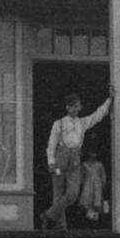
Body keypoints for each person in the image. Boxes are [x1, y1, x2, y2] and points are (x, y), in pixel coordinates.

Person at [42, 87, 114, 230]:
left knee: (72, 194)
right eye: (72, 106)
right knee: (58, 192)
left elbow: (98, 115)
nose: (75, 109)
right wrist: (51, 162)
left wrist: (110, 100)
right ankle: (61, 226)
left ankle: (48, 215)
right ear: (67, 107)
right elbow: (51, 144)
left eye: (77, 106)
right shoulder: (59, 123)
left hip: (74, 160)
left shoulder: (83, 122)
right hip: (59, 161)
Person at [77, 147, 108, 226]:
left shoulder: (99, 165)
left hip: (97, 185)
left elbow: (103, 176)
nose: (93, 155)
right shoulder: (84, 165)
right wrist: (81, 184)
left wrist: (103, 184)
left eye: (95, 153)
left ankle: (95, 221)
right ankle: (89, 220)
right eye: (91, 153)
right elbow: (81, 176)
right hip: (87, 185)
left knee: (96, 203)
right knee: (87, 203)